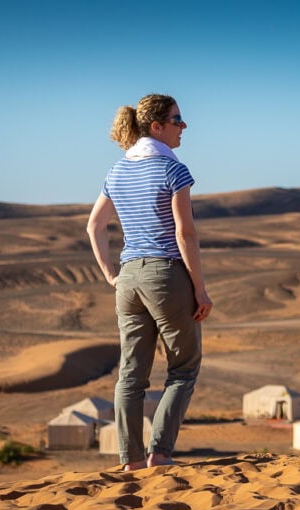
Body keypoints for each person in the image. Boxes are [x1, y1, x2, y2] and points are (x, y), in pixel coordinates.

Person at [87, 93, 212, 471]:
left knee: (131, 374)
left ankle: (131, 461)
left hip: (129, 278)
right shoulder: (173, 171)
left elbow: (94, 225)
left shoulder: (117, 171)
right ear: (156, 127)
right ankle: (160, 454)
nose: (183, 126)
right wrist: (199, 287)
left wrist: (111, 274)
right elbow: (185, 234)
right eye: (177, 120)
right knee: (184, 368)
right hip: (166, 274)